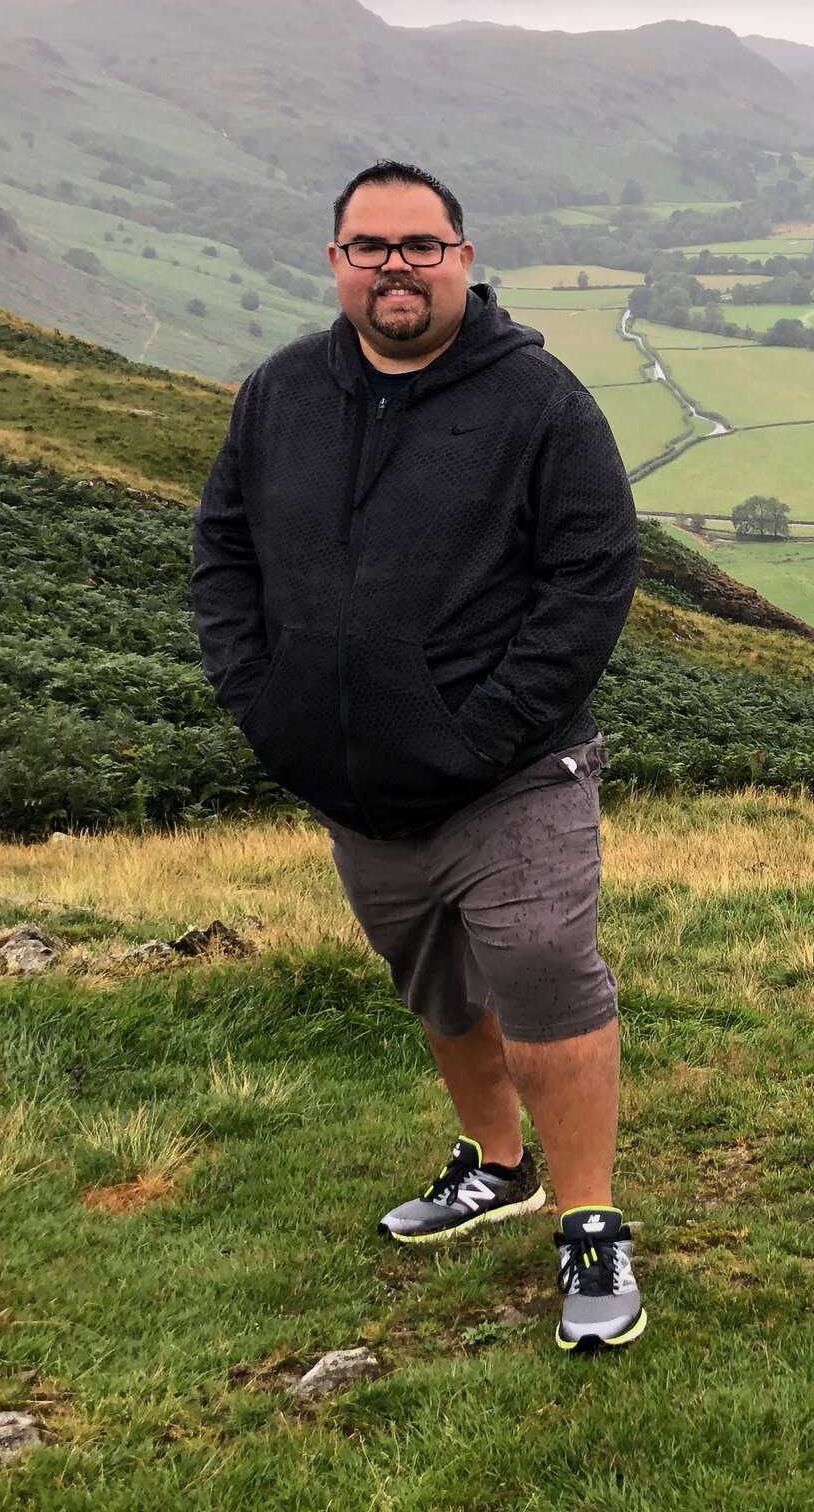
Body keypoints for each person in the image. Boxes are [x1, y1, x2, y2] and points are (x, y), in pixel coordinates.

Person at [193, 160, 644, 1351]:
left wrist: (478, 731)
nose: (396, 264)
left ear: (464, 257)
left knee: (543, 962)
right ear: (336, 259)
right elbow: (224, 552)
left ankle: (591, 1223)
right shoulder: (279, 392)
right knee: (437, 981)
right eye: (370, 245)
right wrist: (265, 703)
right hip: (350, 778)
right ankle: (496, 1164)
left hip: (512, 773)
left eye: (421, 245)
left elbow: (590, 580)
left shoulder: (541, 403)